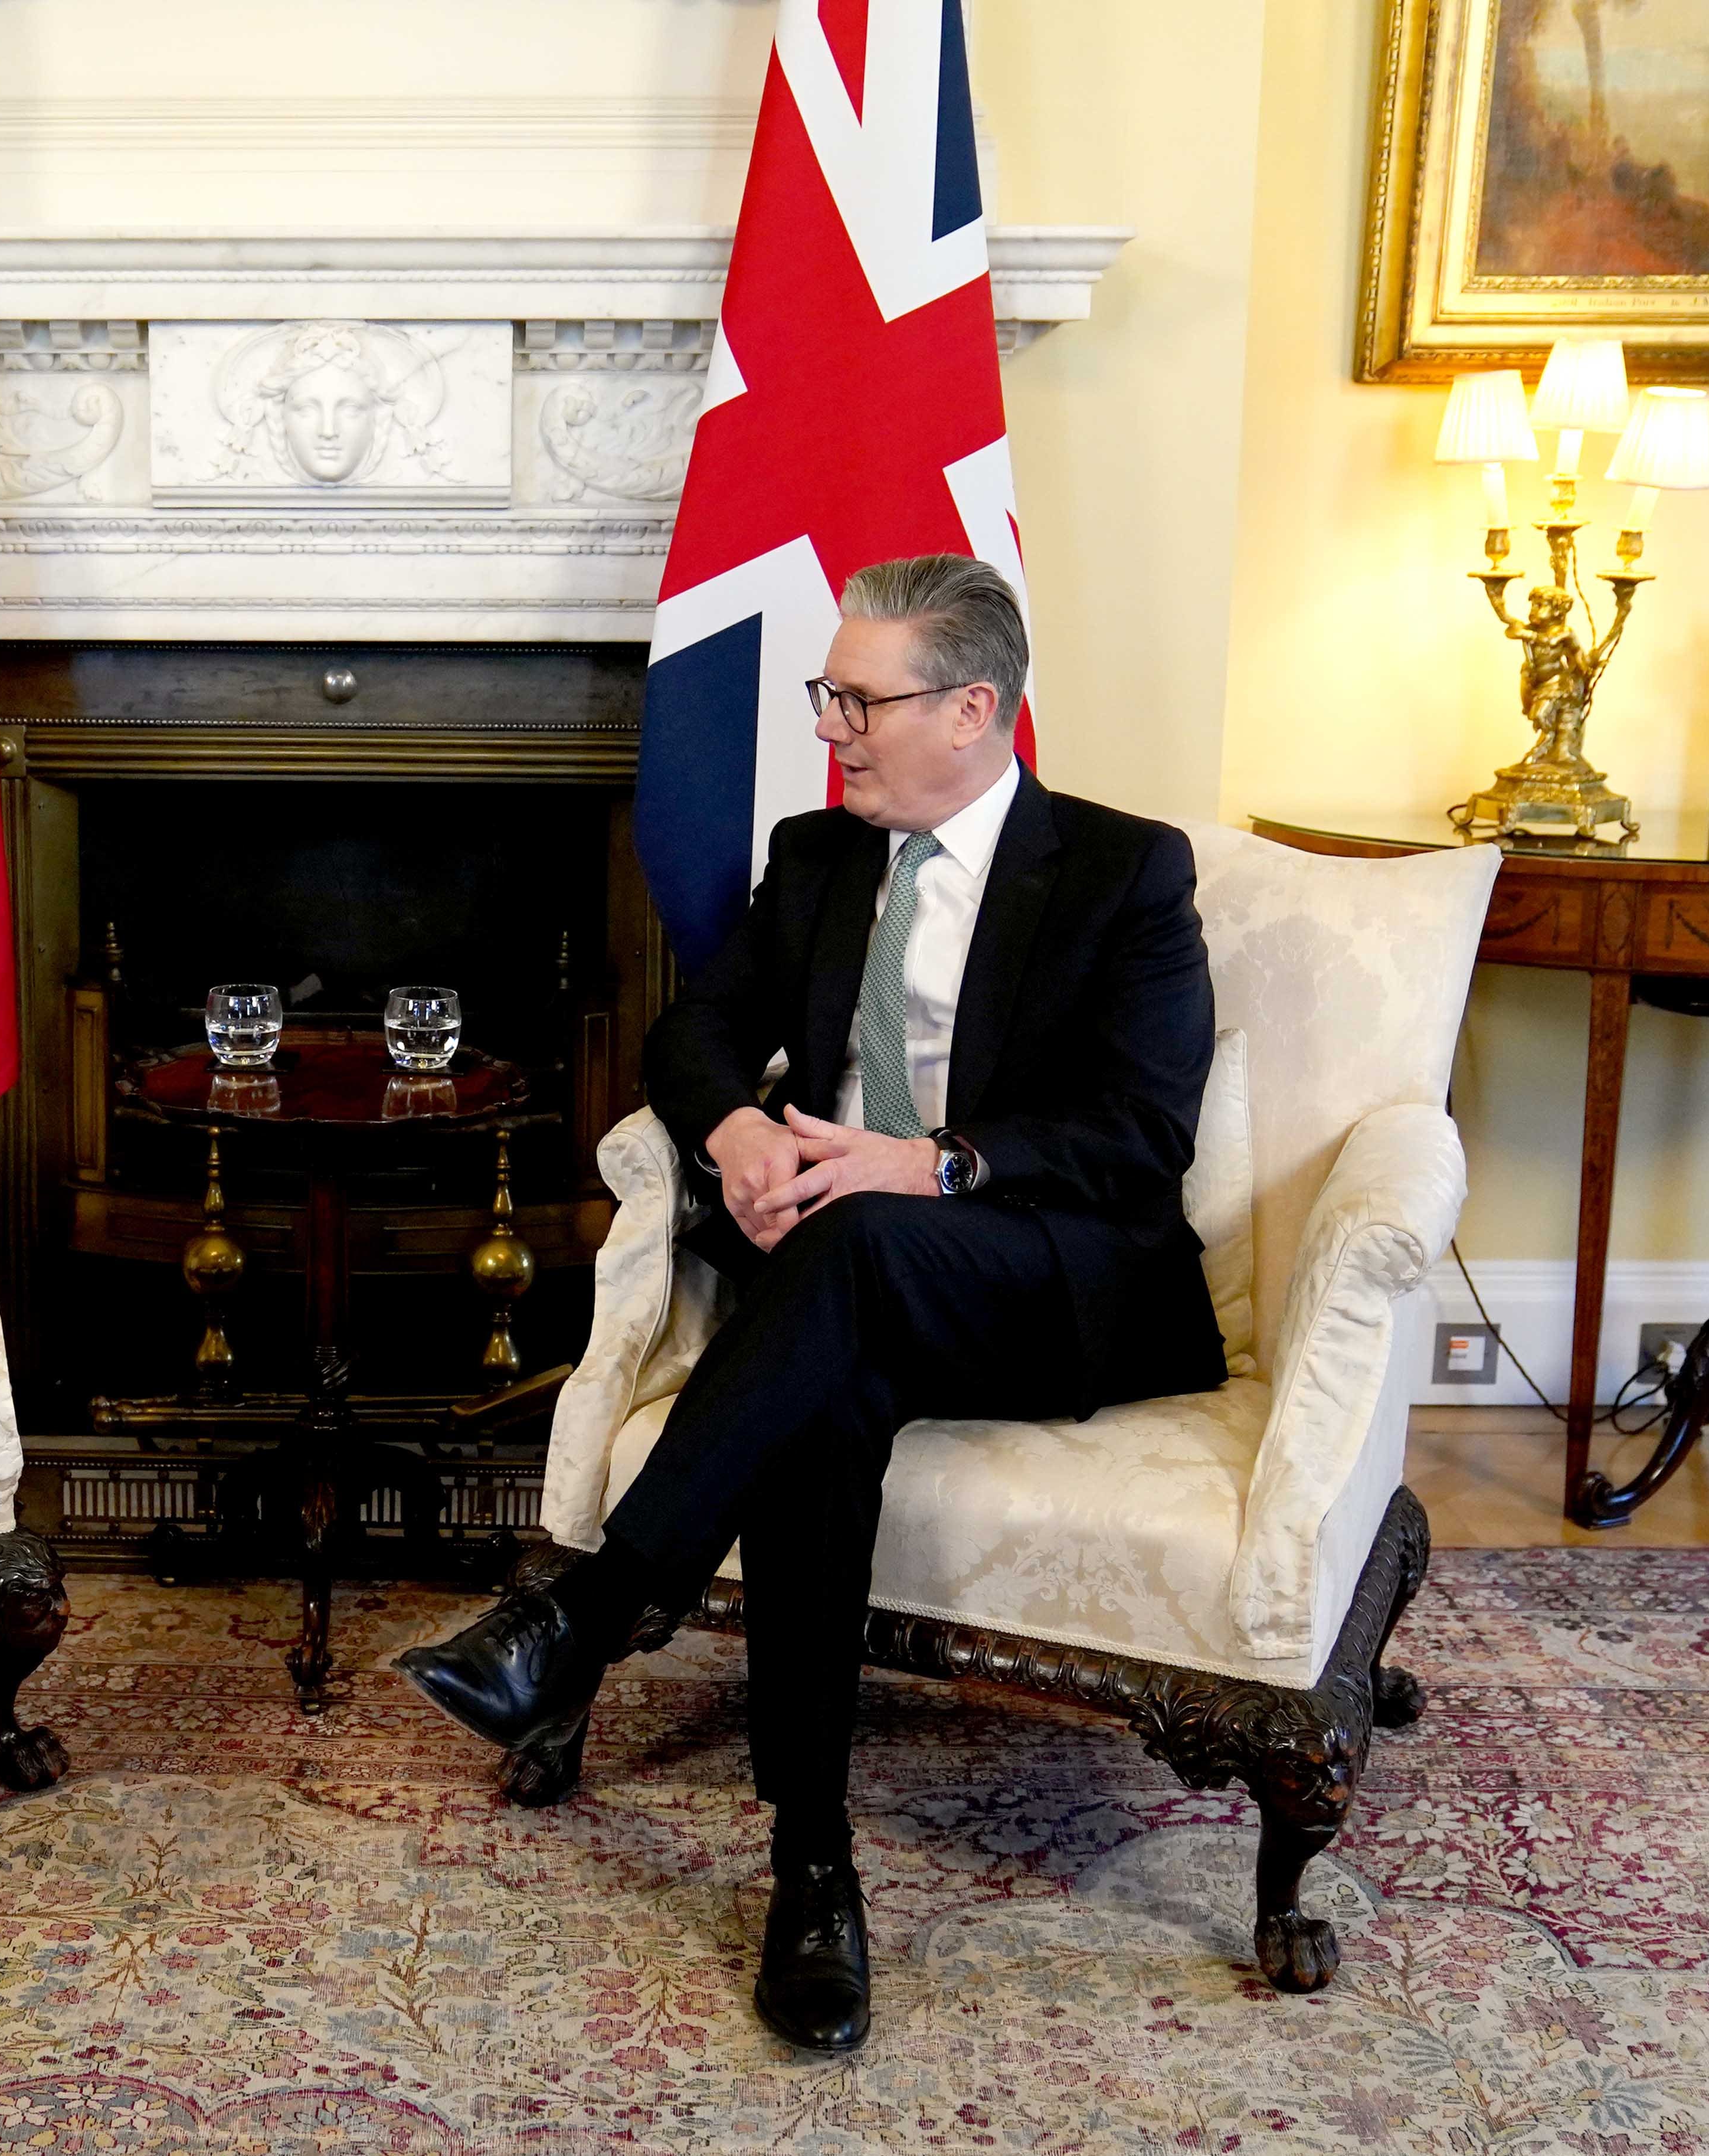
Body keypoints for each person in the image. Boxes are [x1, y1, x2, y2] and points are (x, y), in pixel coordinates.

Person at [396, 554, 1223, 2051]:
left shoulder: (1122, 869)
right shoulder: (823, 855)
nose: (831, 726)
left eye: (861, 698)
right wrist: (740, 1135)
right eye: (826, 693)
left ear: (973, 709)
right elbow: (696, 1032)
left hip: (1048, 1276)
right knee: (822, 1392)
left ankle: (581, 1618)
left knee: (844, 1256)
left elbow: (1139, 1133)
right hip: (839, 1277)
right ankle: (810, 1866)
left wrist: (928, 1163)